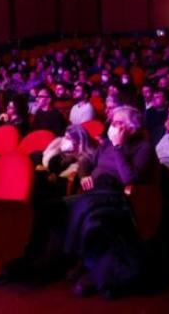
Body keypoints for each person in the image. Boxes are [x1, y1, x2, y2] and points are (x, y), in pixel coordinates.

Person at [65, 106, 158, 299]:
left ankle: (89, 267)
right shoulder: (106, 144)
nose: (113, 126)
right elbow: (86, 161)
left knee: (93, 217)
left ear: (131, 127)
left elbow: (129, 178)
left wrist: (118, 147)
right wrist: (83, 176)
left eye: (118, 123)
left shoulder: (143, 147)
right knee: (56, 206)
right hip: (93, 191)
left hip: (116, 195)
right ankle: (76, 258)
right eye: (113, 122)